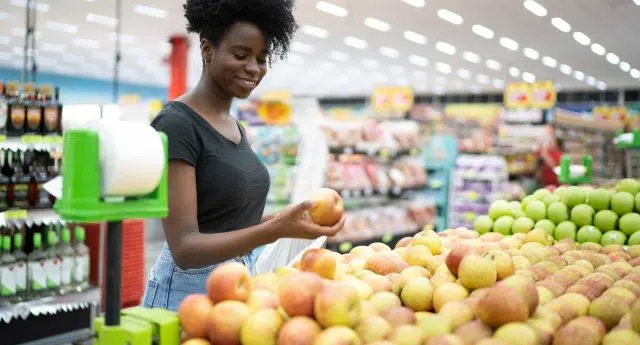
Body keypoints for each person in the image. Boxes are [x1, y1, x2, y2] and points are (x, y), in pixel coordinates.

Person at [142, 0, 345, 311]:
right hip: (187, 293)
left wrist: (287, 219)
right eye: (241, 54)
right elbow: (184, 247)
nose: (253, 67)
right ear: (207, 50)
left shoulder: (235, 126)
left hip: (238, 281)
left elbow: (228, 223)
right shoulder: (177, 124)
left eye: (262, 58)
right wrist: (273, 230)